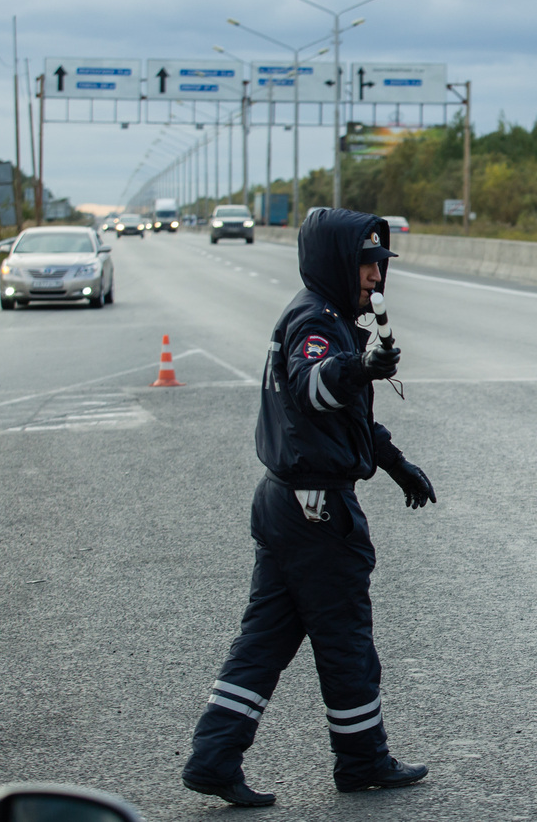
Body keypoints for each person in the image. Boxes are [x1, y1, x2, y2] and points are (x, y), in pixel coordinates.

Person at [182, 208, 436, 806]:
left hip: (284, 504)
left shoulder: (331, 318)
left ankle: (213, 758)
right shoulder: (315, 323)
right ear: (337, 264)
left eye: (380, 264)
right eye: (367, 264)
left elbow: (347, 419)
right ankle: (362, 761)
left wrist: (395, 462)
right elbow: (312, 385)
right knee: (346, 638)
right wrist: (358, 367)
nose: (376, 275)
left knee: (264, 639)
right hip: (316, 512)